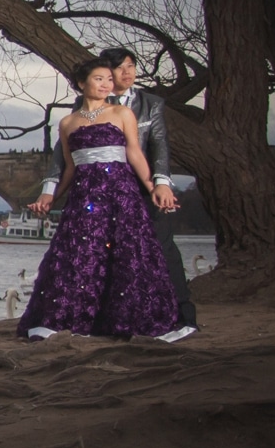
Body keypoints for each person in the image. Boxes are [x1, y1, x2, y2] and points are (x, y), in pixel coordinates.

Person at [32, 47, 197, 333]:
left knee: (156, 252)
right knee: (91, 255)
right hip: (91, 195)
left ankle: (181, 317)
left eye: (131, 67)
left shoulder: (147, 104)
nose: (126, 74)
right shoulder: (76, 114)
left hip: (136, 191)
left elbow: (157, 147)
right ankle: (99, 319)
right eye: (117, 70)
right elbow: (65, 157)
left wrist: (160, 185)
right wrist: (50, 192)